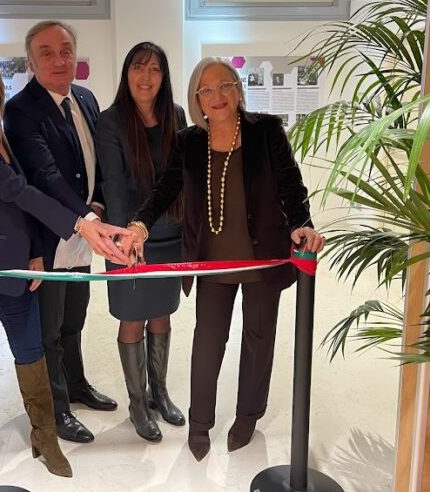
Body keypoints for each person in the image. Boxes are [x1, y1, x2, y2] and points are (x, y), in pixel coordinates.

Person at [0, 49, 128, 481]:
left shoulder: (0, 135)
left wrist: (36, 249)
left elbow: (21, 202)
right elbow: (16, 190)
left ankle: (45, 438)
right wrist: (80, 223)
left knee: (31, 350)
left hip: (14, 267)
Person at [121, 57, 325, 461]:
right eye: (207, 90)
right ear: (197, 99)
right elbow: (166, 188)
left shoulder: (266, 131)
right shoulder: (188, 141)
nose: (217, 96)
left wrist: (302, 223)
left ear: (238, 88)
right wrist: (140, 224)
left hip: (262, 259)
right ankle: (200, 423)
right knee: (209, 341)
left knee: (258, 339)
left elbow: (290, 184)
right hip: (213, 262)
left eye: (225, 85)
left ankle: (248, 416)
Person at [4, 20, 118, 445]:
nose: (58, 59)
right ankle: (57, 409)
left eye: (65, 50)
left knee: (74, 317)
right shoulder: (20, 110)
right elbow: (45, 175)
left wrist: (99, 205)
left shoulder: (86, 98)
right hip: (51, 234)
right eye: (47, 53)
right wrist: (87, 219)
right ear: (31, 62)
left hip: (87, 230)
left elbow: (99, 162)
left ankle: (76, 384)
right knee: (48, 328)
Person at [95, 42, 187, 442]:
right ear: (126, 73)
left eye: (154, 69)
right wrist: (126, 237)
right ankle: (137, 402)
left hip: (168, 234)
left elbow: (182, 176)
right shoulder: (110, 121)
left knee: (162, 313)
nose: (145, 77)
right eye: (138, 67)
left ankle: (159, 393)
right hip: (128, 239)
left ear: (163, 76)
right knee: (132, 317)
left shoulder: (176, 115)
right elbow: (113, 184)